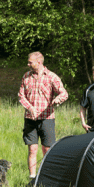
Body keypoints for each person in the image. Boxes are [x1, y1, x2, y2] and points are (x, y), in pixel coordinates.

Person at [18, 51, 68, 179]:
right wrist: (29, 107)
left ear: (39, 62)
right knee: (32, 150)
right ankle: (32, 178)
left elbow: (64, 93)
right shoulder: (26, 76)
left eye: (30, 62)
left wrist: (58, 99)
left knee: (47, 150)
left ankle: (47, 176)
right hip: (30, 119)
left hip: (47, 119)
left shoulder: (51, 77)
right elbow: (21, 96)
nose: (28, 64)